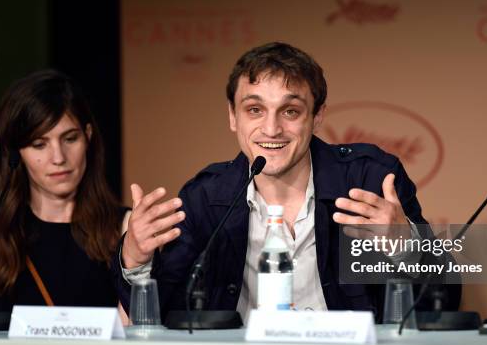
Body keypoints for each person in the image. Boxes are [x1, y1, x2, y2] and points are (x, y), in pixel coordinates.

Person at [115, 42, 460, 321]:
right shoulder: (206, 197)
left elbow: (445, 299)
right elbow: (165, 317)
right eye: (254, 110)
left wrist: (408, 247)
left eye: (290, 111)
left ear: (317, 116)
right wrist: (135, 261)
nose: (271, 129)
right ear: (233, 117)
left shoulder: (369, 179)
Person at [0, 70, 127, 312]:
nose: (58, 158)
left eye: (70, 139)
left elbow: (138, 338)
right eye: (39, 144)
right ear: (16, 153)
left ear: (88, 137)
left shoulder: (125, 228)